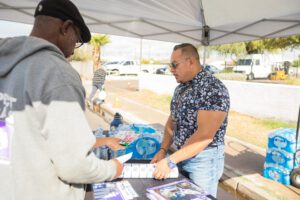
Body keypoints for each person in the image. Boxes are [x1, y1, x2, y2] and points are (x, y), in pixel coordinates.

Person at [0, 0, 123, 199]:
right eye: (77, 40)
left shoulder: (8, 63)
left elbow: (32, 134)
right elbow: (74, 165)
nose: (75, 49)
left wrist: (99, 141)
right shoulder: (57, 74)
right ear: (65, 28)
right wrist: (113, 169)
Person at [151, 43, 230, 197]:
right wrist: (163, 150)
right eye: (170, 65)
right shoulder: (181, 88)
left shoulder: (213, 88)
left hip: (203, 160)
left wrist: (170, 160)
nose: (171, 70)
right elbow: (172, 121)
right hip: (181, 156)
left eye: (175, 65)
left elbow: (204, 136)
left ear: (191, 62)